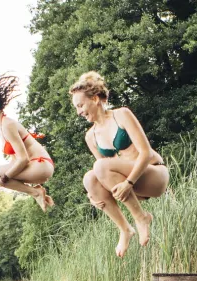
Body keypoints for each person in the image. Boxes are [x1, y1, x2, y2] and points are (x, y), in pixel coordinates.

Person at [69, 71, 170, 257]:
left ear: (96, 99)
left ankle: (141, 218)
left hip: (153, 175)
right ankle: (125, 229)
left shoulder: (121, 115)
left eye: (81, 105)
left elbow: (146, 153)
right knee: (89, 179)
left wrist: (129, 182)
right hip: (132, 187)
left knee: (99, 167)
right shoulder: (90, 136)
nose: (79, 112)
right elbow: (104, 177)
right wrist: (94, 196)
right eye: (76, 108)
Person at [0, 73, 54, 211]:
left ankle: (36, 192)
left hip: (40, 164)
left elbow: (23, 159)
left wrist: (4, 178)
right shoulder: (1, 128)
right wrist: (4, 181)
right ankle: (36, 192)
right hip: (37, 167)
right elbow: (15, 161)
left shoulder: (7, 124)